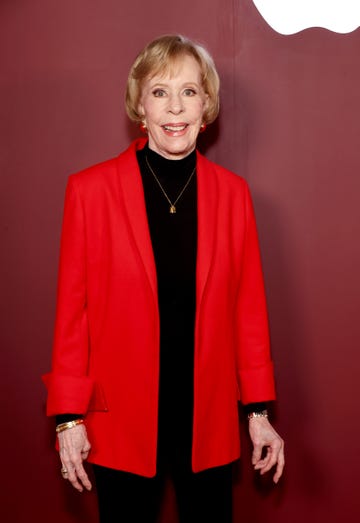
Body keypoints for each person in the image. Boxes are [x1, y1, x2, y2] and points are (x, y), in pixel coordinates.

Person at [43, 34, 284, 522]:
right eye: (159, 92)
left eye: (190, 92)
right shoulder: (89, 192)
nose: (175, 107)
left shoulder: (234, 195)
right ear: (140, 105)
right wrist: (69, 416)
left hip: (207, 421)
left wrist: (257, 415)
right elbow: (74, 312)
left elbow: (248, 310)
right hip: (122, 425)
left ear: (207, 104)